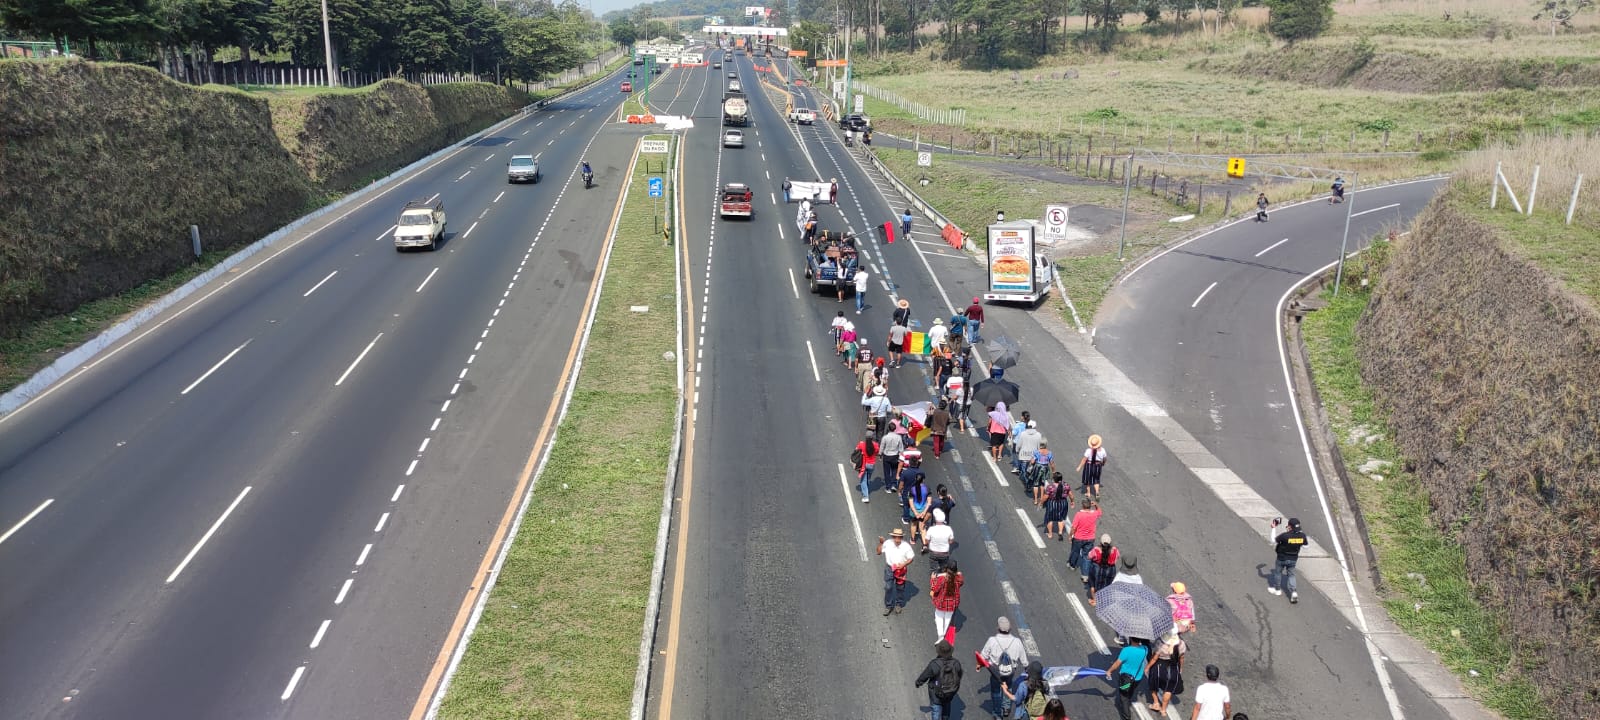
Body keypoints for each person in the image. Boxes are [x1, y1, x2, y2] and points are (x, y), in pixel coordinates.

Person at [980, 617, 1028, 720]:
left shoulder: (992, 640)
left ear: (998, 628)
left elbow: (983, 656)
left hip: (995, 672)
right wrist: (1026, 669)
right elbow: (1024, 660)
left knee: (996, 691)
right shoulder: (1017, 641)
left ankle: (998, 713)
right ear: (1010, 628)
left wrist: (980, 665)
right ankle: (1006, 708)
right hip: (1011, 671)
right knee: (1008, 685)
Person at [915, 640, 963, 720]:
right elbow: (959, 676)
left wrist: (918, 682)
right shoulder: (956, 663)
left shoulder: (935, 664)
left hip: (936, 694)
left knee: (936, 710)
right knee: (946, 707)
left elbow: (925, 675)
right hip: (949, 693)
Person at [1105, 637, 1150, 720]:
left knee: (1124, 696)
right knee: (1131, 690)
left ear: (1131, 639)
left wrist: (1109, 671)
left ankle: (1127, 717)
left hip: (1126, 680)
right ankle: (1128, 697)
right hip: (1137, 678)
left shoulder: (1126, 650)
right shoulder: (1145, 649)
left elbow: (1117, 663)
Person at [1145, 631, 1186, 714]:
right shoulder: (1182, 644)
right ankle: (1163, 710)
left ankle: (1156, 703)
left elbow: (1154, 658)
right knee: (1168, 689)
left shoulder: (1161, 643)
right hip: (1173, 668)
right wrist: (1180, 668)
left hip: (1159, 667)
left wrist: (1147, 667)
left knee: (1153, 684)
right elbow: (1181, 658)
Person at [877, 528, 915, 615]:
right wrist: (881, 543)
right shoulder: (887, 543)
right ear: (893, 537)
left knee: (900, 588)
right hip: (889, 568)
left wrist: (903, 564)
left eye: (899, 537)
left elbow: (911, 558)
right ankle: (888, 606)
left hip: (901, 569)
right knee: (888, 587)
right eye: (896, 537)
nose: (897, 539)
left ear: (902, 537)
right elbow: (878, 552)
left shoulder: (906, 546)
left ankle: (898, 604)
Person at [1268, 517, 1307, 603]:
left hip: (1281, 558)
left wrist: (1273, 528)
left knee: (1278, 573)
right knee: (1291, 575)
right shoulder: (1302, 536)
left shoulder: (1285, 536)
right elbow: (1306, 546)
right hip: (1293, 559)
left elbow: (1273, 540)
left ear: (1289, 526)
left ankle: (1278, 590)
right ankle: (1293, 592)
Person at [928, 559, 962, 640]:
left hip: (941, 602)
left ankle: (940, 636)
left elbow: (935, 588)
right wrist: (959, 574)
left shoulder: (942, 578)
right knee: (947, 619)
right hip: (952, 604)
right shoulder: (958, 578)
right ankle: (944, 633)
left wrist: (932, 579)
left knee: (939, 617)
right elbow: (961, 582)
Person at [1069, 498, 1102, 576]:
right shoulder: (1094, 514)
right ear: (1090, 505)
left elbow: (1074, 527)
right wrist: (1096, 505)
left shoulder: (1079, 514)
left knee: (1075, 552)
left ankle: (1072, 565)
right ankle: (1085, 574)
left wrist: (1070, 536)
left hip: (1078, 538)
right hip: (1090, 538)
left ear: (1082, 505)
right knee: (1087, 556)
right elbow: (1100, 512)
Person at [1085, 534, 1119, 605]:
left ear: (1101, 542)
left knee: (1094, 584)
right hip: (1111, 569)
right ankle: (1105, 599)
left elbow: (1089, 556)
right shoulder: (1115, 550)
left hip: (1099, 568)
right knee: (1107, 585)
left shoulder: (1096, 550)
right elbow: (1117, 558)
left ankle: (1095, 600)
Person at [1042, 472, 1072, 540]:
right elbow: (1070, 495)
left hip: (1052, 503)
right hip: (1063, 503)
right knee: (1061, 518)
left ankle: (1050, 534)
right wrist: (1072, 501)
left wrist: (1041, 502)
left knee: (1049, 519)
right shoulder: (1066, 485)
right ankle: (1060, 532)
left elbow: (1046, 497)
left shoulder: (1050, 487)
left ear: (1054, 479)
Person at [879, 418, 906, 494]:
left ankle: (888, 487)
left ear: (888, 429)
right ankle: (894, 484)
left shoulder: (885, 437)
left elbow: (882, 447)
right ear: (895, 429)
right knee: (894, 470)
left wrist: (880, 455)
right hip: (895, 456)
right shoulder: (898, 437)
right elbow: (901, 448)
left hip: (887, 456)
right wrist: (901, 455)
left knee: (887, 472)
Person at [853, 432, 879, 502]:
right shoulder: (876, 445)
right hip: (872, 464)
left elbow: (856, 450)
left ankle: (865, 496)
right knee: (868, 478)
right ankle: (866, 489)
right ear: (872, 437)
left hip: (863, 464)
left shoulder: (862, 444)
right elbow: (877, 453)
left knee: (863, 480)